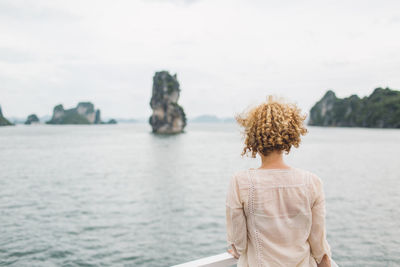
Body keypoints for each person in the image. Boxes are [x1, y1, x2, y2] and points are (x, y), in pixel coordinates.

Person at [226, 96, 332, 267]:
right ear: (289, 136)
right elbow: (319, 247)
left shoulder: (240, 182)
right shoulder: (312, 182)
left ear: (253, 138)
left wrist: (237, 249)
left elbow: (240, 243)